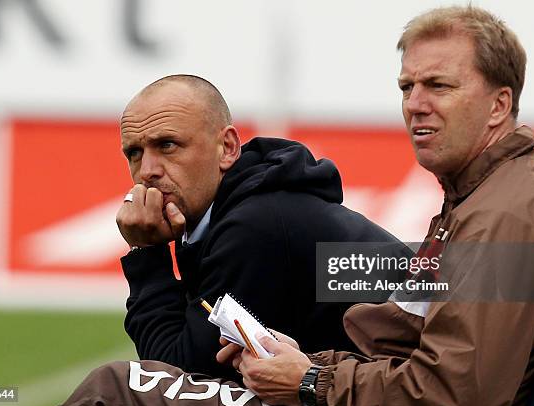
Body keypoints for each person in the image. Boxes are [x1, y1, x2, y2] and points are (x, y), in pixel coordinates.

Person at [59, 6, 534, 406]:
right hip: (358, 387)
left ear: (499, 105)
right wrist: (308, 366)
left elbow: (461, 395)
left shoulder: (506, 216)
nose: (415, 103)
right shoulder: (483, 200)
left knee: (118, 389)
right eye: (407, 87)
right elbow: (416, 353)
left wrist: (311, 380)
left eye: (439, 86)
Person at [114, 74, 408, 379]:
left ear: (227, 148)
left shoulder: (255, 226)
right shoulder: (253, 207)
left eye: (168, 145)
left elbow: (178, 378)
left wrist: (147, 254)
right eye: (134, 152)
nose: (147, 171)